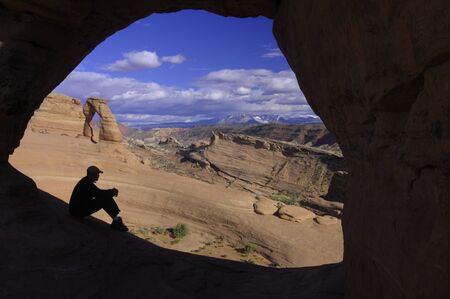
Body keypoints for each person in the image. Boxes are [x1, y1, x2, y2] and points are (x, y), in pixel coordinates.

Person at [69, 165, 128, 232]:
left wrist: (110, 192)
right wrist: (112, 192)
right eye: (97, 174)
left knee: (105, 197)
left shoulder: (86, 181)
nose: (98, 176)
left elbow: (98, 193)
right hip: (77, 212)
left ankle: (116, 219)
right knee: (105, 199)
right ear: (92, 174)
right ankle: (116, 221)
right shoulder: (86, 183)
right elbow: (99, 193)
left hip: (76, 210)